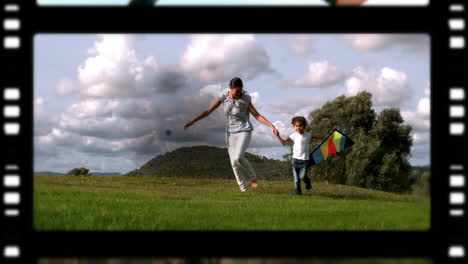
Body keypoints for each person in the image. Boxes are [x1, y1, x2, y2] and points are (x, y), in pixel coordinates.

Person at [184, 77, 279, 192]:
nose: (239, 93)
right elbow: (208, 111)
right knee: (233, 162)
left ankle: (253, 178)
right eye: (237, 91)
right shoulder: (223, 96)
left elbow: (257, 115)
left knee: (238, 157)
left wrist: (271, 126)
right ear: (230, 89)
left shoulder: (245, 98)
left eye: (241, 91)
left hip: (244, 130)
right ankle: (243, 189)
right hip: (230, 132)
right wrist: (193, 121)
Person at [274, 116, 324, 195]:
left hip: (305, 161)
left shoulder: (308, 135)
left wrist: (327, 138)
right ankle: (298, 194)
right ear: (294, 126)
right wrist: (277, 136)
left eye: (300, 126)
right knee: (296, 179)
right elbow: (284, 143)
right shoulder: (293, 135)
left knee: (302, 176)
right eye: (296, 126)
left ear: (304, 126)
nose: (298, 128)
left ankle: (307, 182)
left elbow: (318, 137)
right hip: (295, 160)